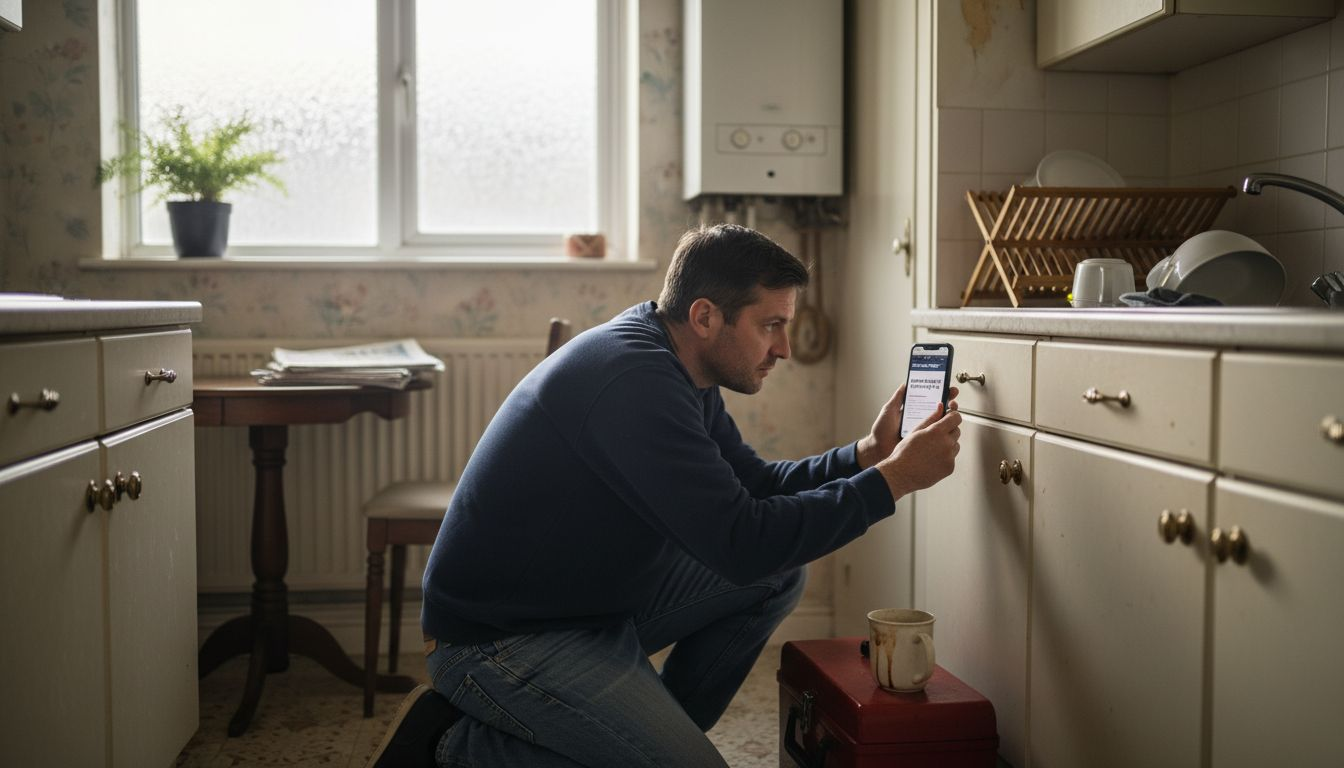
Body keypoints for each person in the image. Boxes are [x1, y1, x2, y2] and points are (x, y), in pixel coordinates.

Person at [367, 223, 961, 767]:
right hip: (499, 638)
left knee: (778, 576)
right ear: (705, 316)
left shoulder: (678, 365)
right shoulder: (635, 381)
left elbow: (752, 489)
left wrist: (866, 455)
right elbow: (742, 543)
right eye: (771, 325)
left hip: (586, 606)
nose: (784, 348)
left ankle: (635, 734)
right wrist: (896, 480)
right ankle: (448, 746)